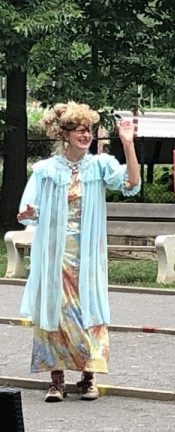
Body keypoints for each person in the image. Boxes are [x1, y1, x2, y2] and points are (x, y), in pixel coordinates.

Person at [17, 102, 140, 402]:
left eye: (90, 130)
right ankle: (56, 379)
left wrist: (128, 145)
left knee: (88, 310)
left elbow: (132, 183)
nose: (87, 135)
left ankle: (88, 376)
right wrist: (30, 212)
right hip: (55, 255)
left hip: (87, 256)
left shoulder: (100, 166)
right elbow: (28, 210)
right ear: (65, 134)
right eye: (80, 130)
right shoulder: (46, 170)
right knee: (56, 312)